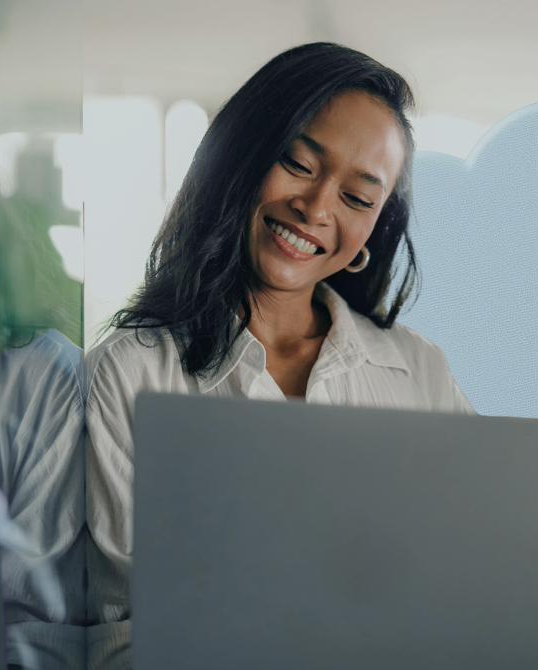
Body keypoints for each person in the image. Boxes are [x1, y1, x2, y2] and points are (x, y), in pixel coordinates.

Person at [84, 43, 473, 669]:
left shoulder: (419, 372)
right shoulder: (131, 372)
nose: (316, 208)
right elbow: (122, 633)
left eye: (358, 198)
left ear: (373, 231)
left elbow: (472, 579)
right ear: (242, 156)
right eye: (298, 163)